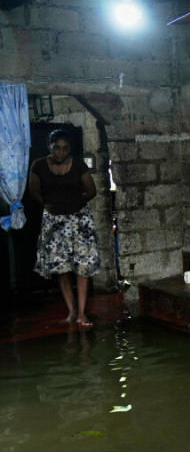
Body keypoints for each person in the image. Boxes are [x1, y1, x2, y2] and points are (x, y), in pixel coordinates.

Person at [28, 129, 101, 327]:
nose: (61, 152)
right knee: (62, 267)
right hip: (54, 221)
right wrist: (51, 205)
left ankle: (82, 314)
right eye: (56, 148)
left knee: (83, 267)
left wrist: (73, 203)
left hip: (79, 220)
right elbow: (34, 192)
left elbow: (91, 191)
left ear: (70, 149)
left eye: (65, 148)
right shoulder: (38, 165)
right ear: (49, 146)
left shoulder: (78, 165)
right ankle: (71, 312)